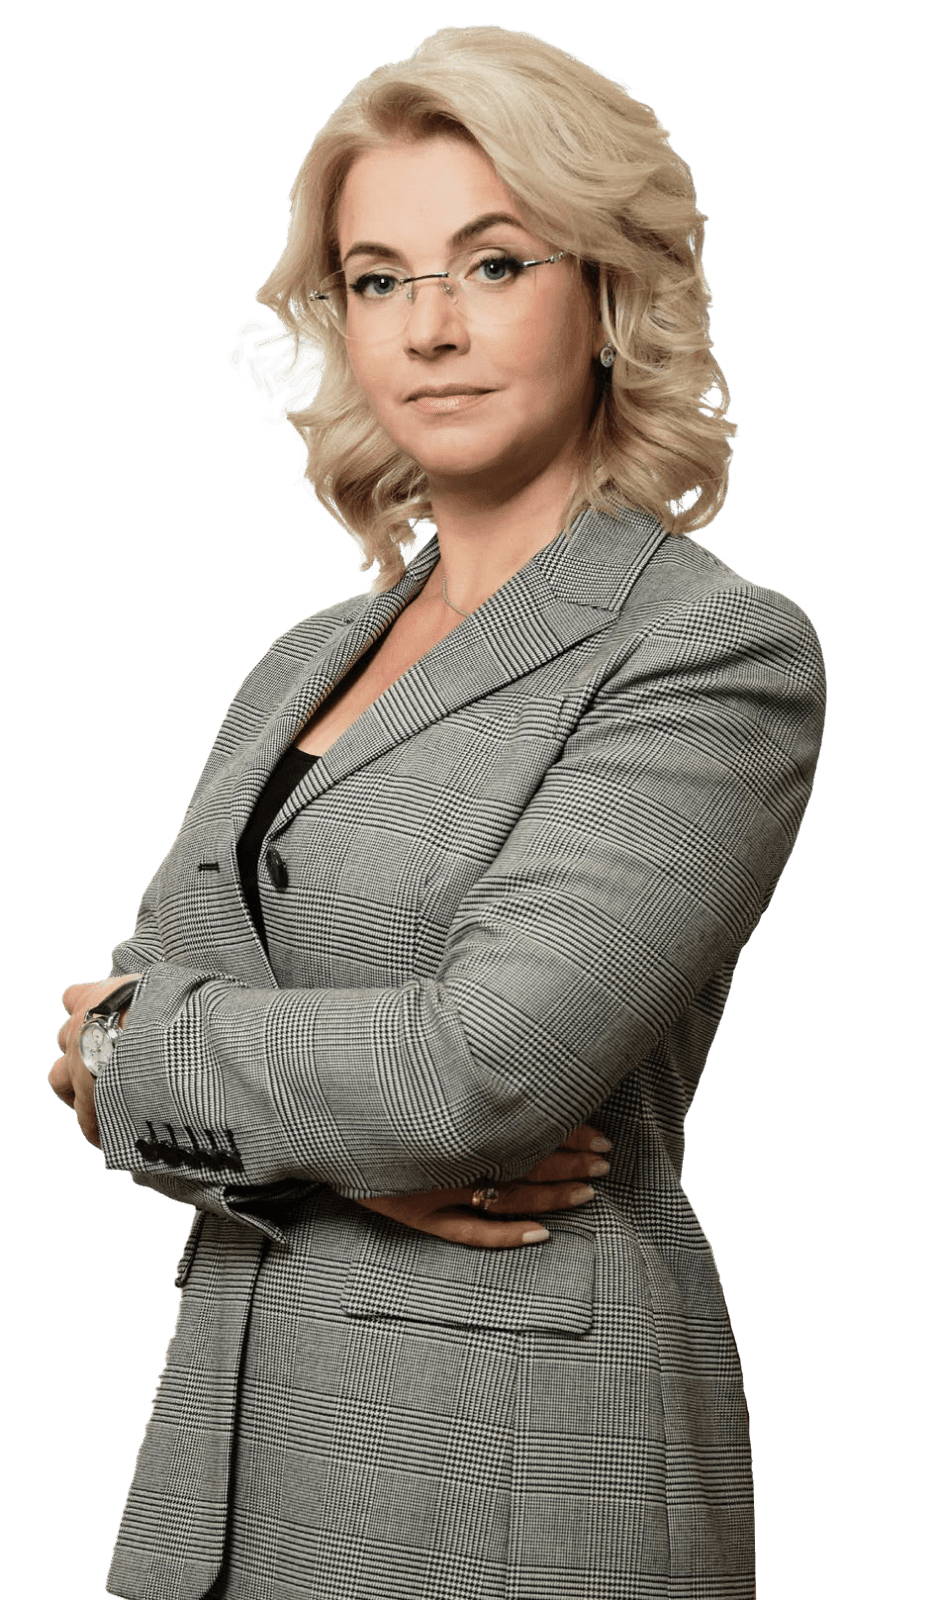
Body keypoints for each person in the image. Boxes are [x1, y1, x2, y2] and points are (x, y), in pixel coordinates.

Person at [49, 24, 826, 1600]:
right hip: (224, 1466)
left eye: (493, 263)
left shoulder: (708, 649)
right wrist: (306, 1131)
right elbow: (124, 1022)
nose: (431, 327)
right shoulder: (301, 659)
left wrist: (141, 1048)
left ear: (606, 293)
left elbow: (478, 1069)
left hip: (506, 1473)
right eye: (378, 278)